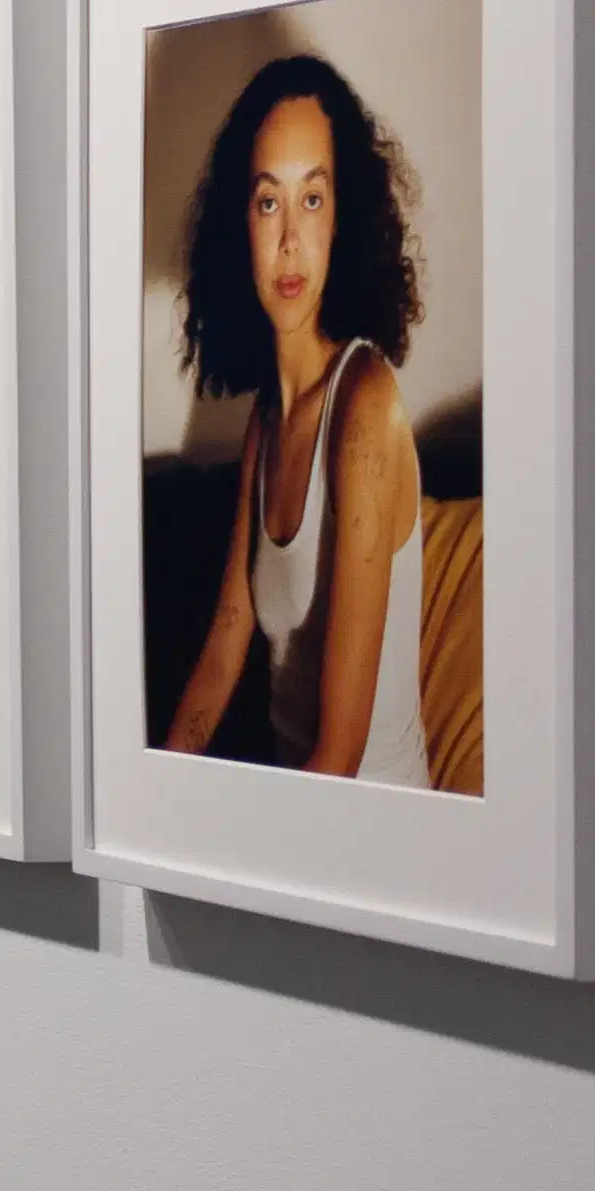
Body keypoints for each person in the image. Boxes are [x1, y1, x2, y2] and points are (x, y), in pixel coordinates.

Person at [161, 53, 430, 783]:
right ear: (239, 225)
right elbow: (225, 643)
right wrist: (155, 787)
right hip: (294, 815)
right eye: (267, 201)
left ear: (344, 216)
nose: (288, 241)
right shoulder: (266, 422)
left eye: (312, 199)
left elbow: (339, 757)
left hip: (372, 841)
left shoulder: (366, 404)